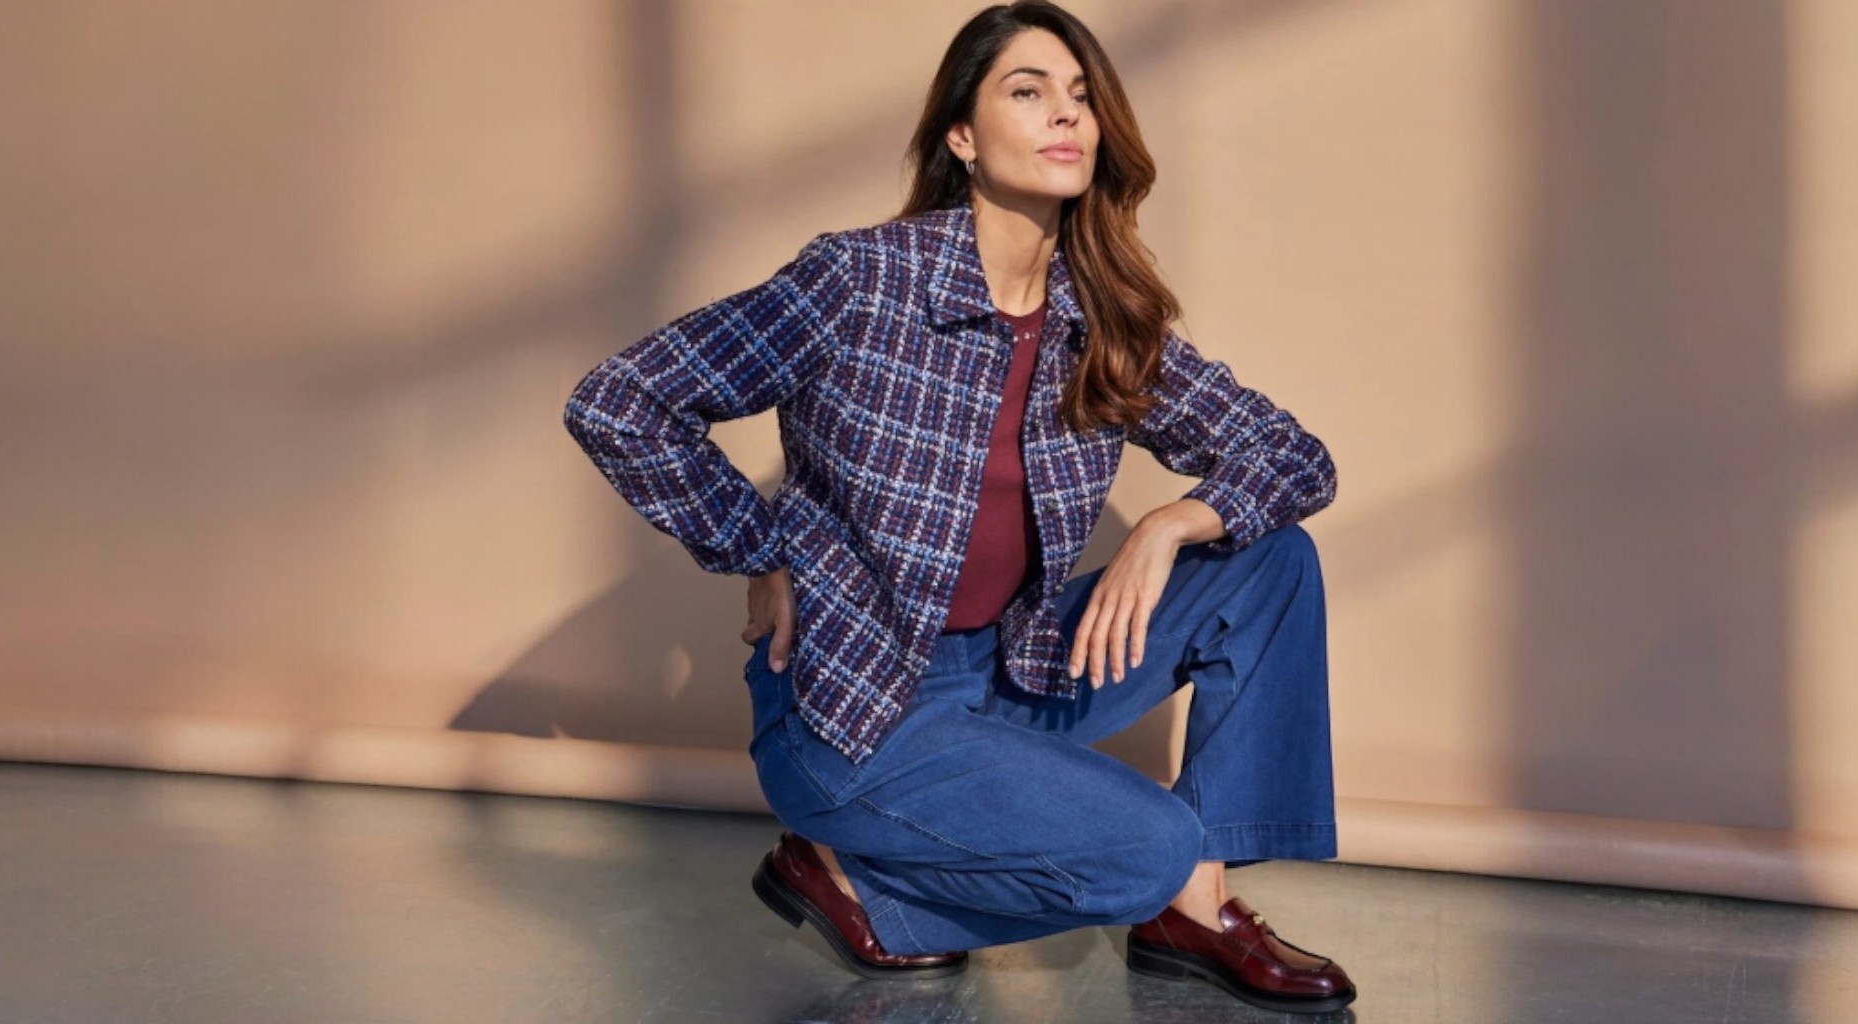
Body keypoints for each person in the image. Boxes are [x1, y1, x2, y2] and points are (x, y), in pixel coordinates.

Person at [563, 1, 1352, 1013]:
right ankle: (854, 880)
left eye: (1080, 96)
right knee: (1146, 845)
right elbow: (622, 402)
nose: (1065, 114)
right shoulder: (860, 281)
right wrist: (759, 548)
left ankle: (1194, 907)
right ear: (962, 138)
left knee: (1269, 561)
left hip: (1013, 668)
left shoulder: (1097, 315)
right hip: (856, 707)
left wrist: (1170, 524)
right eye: (1027, 91)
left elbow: (1292, 456)